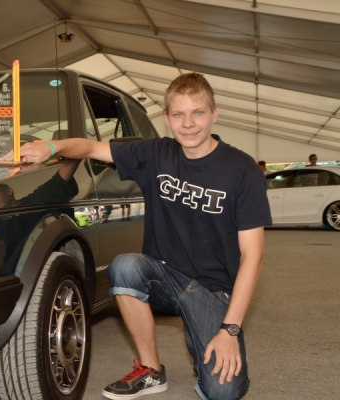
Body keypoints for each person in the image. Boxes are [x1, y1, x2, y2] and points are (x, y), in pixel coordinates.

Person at [14, 73, 270, 400]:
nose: (188, 123)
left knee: (223, 392)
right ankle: (150, 371)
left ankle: (207, 338)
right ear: (167, 119)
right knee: (125, 266)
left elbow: (253, 256)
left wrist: (229, 329)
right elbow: (89, 147)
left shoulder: (242, 170)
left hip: (213, 289)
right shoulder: (155, 153)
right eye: (178, 114)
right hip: (164, 276)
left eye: (198, 113)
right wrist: (52, 146)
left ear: (214, 114)